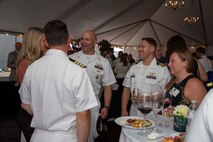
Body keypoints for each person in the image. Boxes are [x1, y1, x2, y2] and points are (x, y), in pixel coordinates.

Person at [19, 20, 98, 142]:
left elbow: (25, 104)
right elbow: (82, 115)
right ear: (68, 39)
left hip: (38, 136)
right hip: (66, 136)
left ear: (46, 40)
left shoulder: (32, 68)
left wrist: (44, 116)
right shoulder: (77, 71)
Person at [69, 30, 116, 142]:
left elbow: (108, 86)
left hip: (93, 106)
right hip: (72, 105)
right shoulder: (71, 59)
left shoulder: (103, 62)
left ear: (95, 42)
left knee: (88, 137)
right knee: (71, 136)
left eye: (87, 39)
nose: (83, 42)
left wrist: (107, 106)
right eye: (82, 39)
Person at [121, 37, 171, 116]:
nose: (139, 49)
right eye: (139, 47)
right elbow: (126, 89)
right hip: (134, 111)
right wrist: (123, 110)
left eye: (143, 47)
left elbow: (166, 94)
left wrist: (146, 98)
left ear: (152, 49)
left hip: (153, 113)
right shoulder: (134, 68)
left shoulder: (162, 70)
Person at [16, 27, 47, 142]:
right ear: (35, 42)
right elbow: (32, 95)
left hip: (36, 114)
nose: (46, 44)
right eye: (44, 41)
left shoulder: (39, 61)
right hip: (29, 115)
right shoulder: (25, 64)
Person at [114, 53, 130, 117]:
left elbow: (115, 71)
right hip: (124, 80)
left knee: (119, 96)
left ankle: (118, 109)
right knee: (124, 96)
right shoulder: (128, 64)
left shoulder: (118, 64)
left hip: (119, 80)